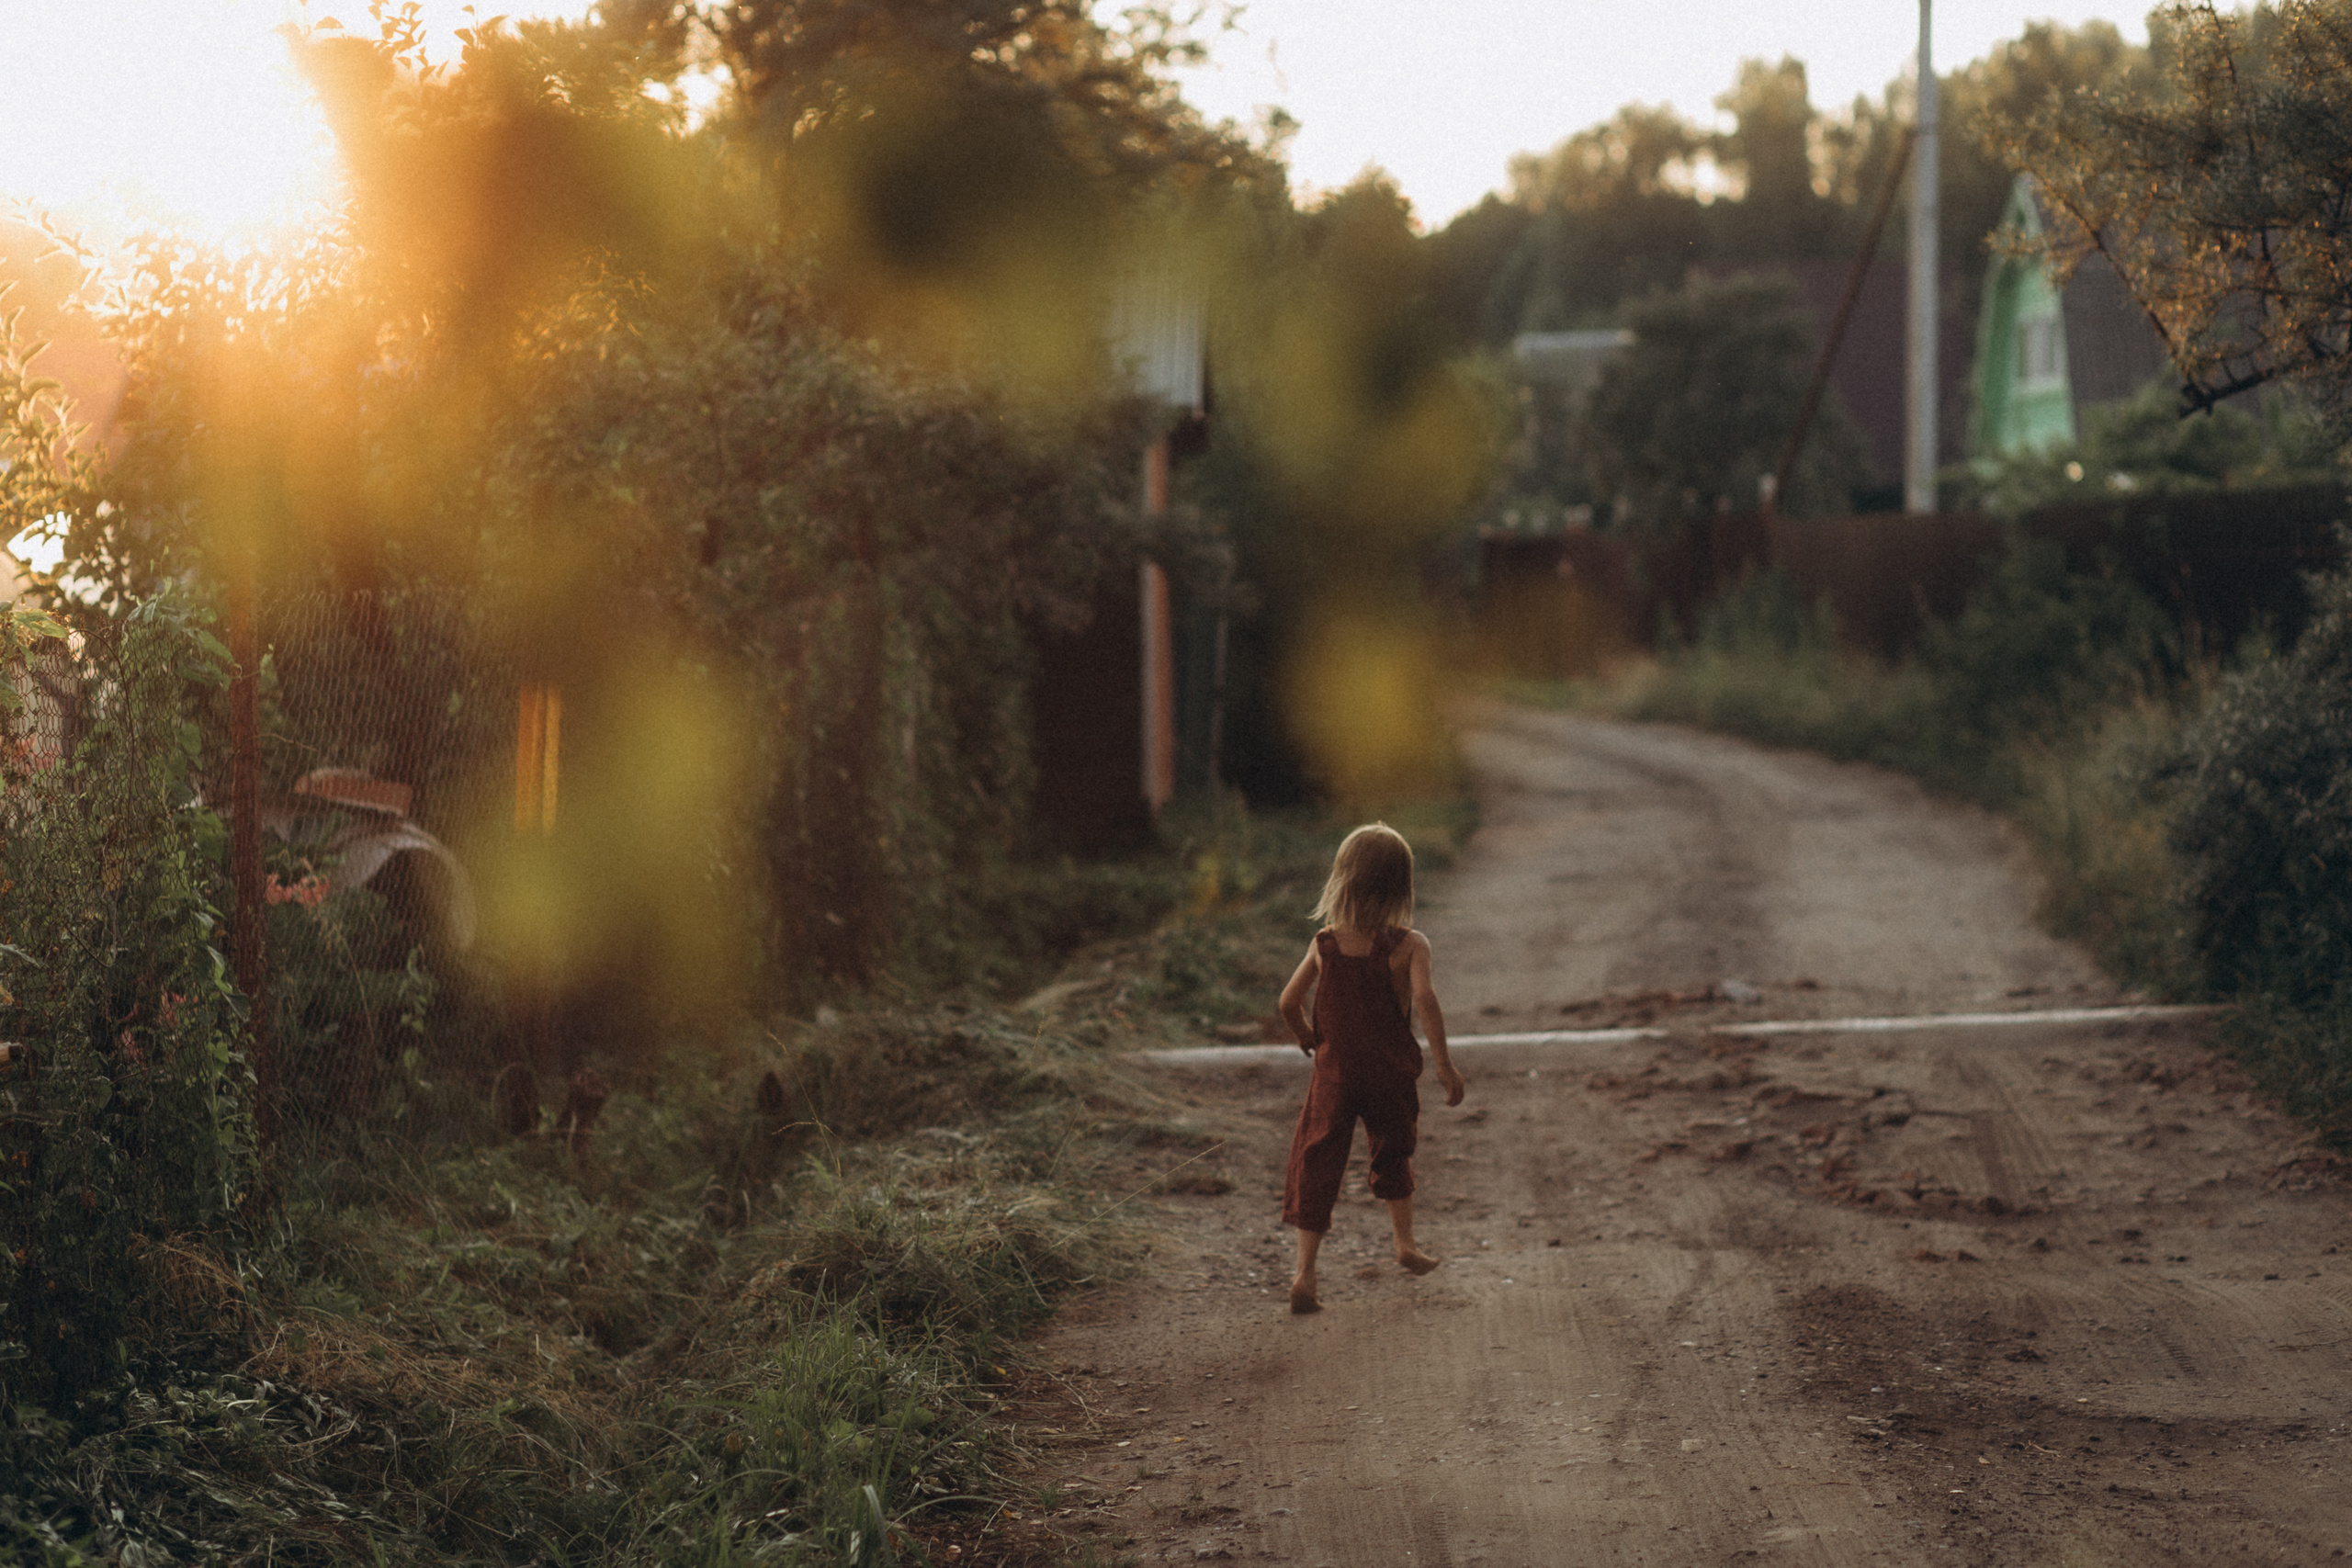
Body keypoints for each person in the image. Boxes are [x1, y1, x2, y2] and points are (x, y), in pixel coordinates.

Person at [1276, 822, 1466, 1314]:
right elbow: (1426, 1000)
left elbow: (1288, 1002)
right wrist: (1444, 1065)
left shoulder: (1324, 944)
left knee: (1317, 1162)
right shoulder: (1410, 945)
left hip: (1334, 1075)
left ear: (1342, 879)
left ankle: (1305, 1273)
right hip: (1388, 1072)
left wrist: (1307, 1037)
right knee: (1393, 1151)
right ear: (1401, 887)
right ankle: (1404, 1243)